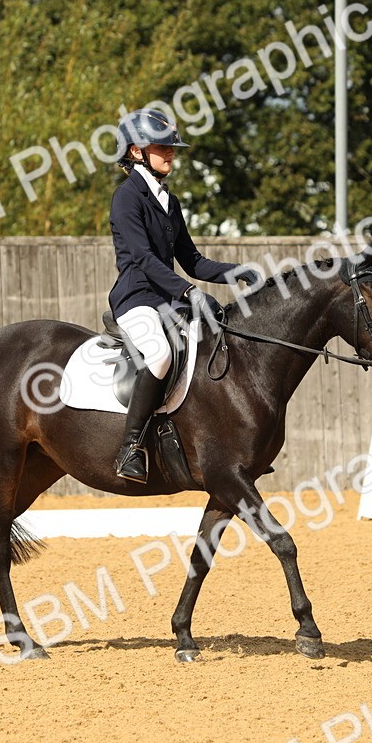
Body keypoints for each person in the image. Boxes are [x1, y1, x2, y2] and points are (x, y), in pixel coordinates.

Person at [107, 108, 258, 484]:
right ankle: (130, 448)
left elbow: (191, 260)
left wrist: (234, 272)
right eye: (162, 146)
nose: (170, 152)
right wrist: (190, 293)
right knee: (159, 354)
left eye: (171, 146)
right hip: (135, 297)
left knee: (219, 339)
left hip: (168, 298)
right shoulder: (127, 198)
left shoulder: (169, 202)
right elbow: (142, 259)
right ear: (137, 151)